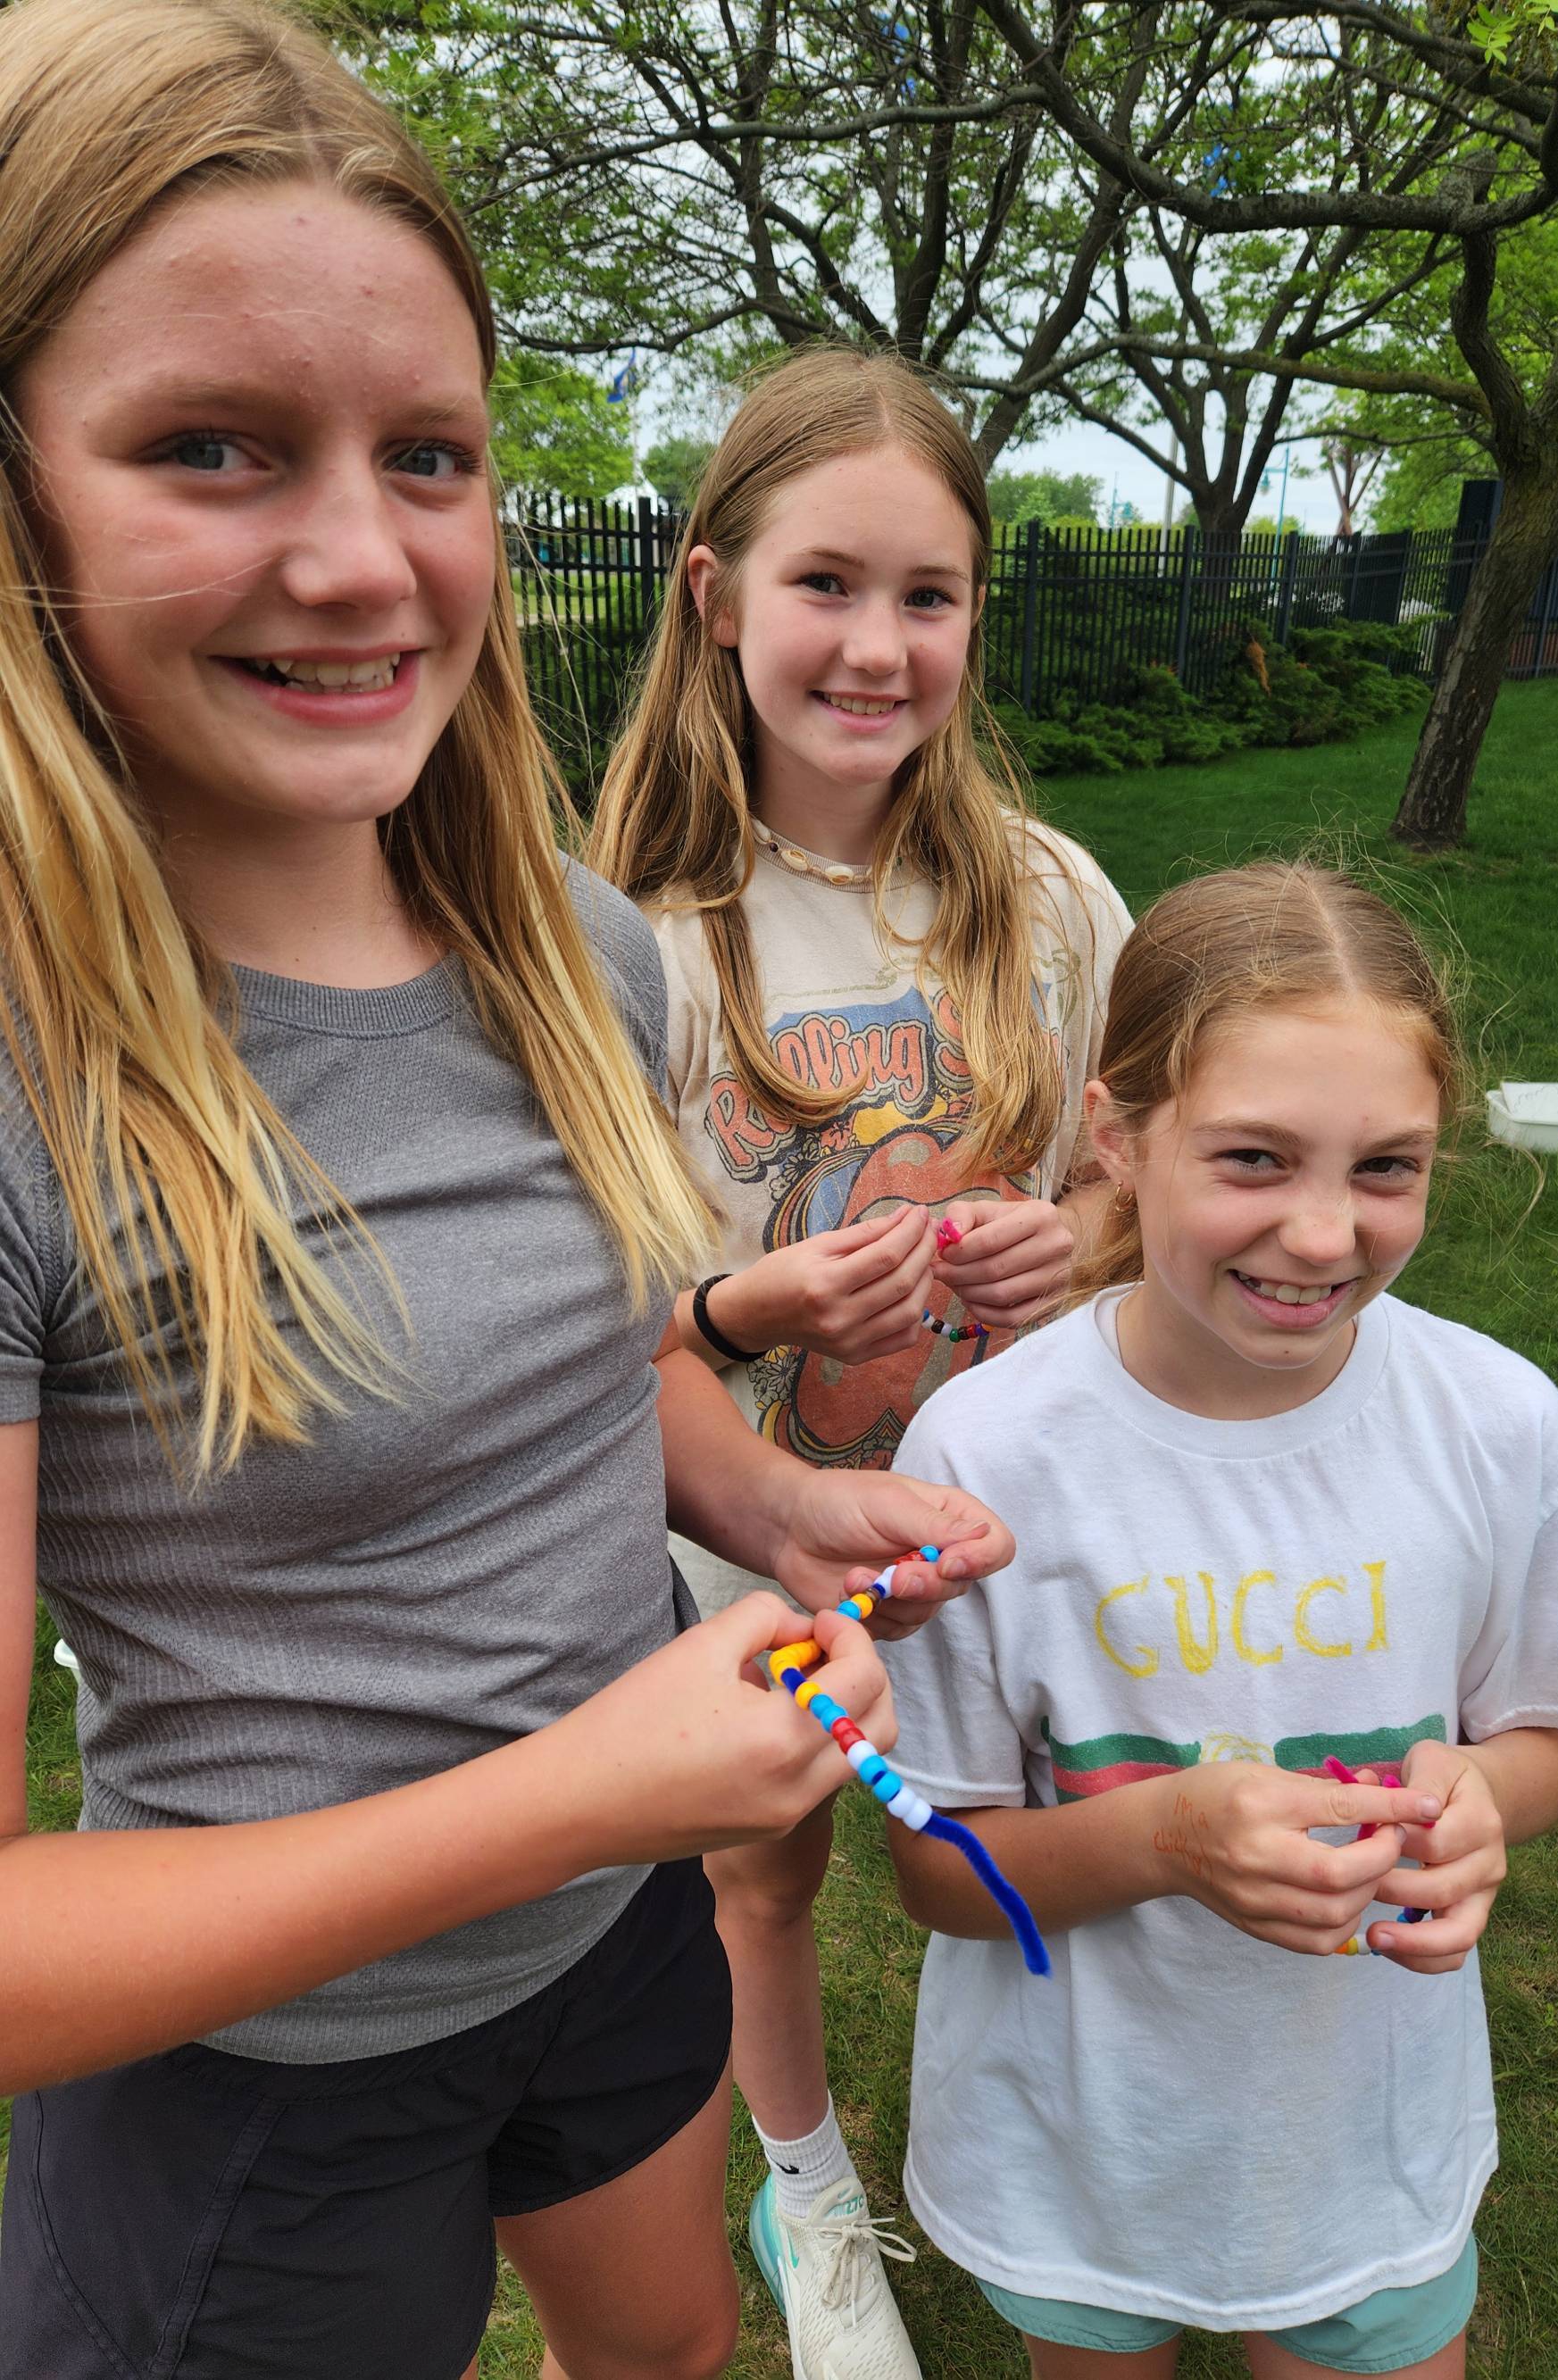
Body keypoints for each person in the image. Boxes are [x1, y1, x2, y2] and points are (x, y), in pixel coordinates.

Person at [0, 8, 1016, 2378]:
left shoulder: (571, 943)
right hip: (258, 2087)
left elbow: (613, 1341)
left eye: (428, 453)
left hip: (613, 1943)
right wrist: (587, 1778)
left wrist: (767, 1500)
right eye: (213, 446)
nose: (362, 559)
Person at [882, 861, 1558, 2380]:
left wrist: (1480, 1795)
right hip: (1084, 2145)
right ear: (1117, 1133)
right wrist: (1167, 1837)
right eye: (1252, 1157)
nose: (1318, 1233)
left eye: (1385, 1168)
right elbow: (938, 1868)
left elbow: (1547, 1734)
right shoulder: (985, 1453)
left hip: (1369, 2146)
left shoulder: (1497, 1422)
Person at [590, 346, 1130, 2380]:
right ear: (715, 595)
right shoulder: (632, 936)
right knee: (770, 1855)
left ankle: (1086, 2156)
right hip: (753, 1517)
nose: (878, 645)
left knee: (1046, 1825)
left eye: (930, 595)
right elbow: (587, 1332)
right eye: (828, 585)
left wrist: (1072, 1233)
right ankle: (809, 2189)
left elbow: (1155, 1183)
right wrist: (755, 1308)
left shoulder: (1055, 902)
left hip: (1021, 1514)